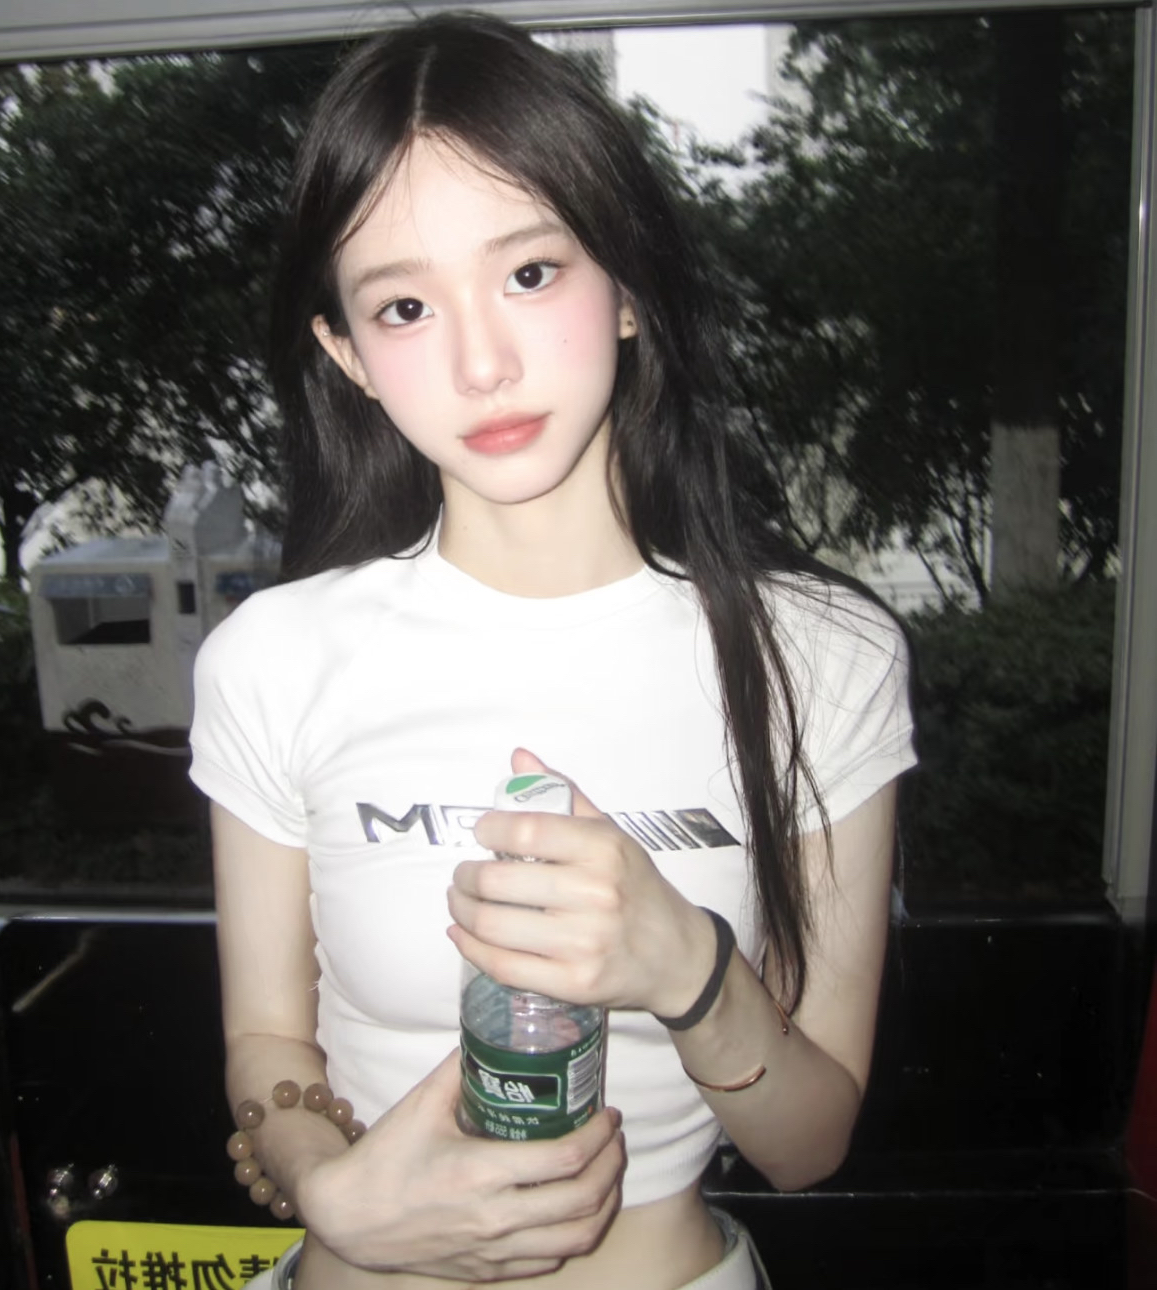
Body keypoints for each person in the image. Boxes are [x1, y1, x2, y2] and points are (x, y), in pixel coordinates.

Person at [189, 13, 915, 1290]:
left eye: (530, 273)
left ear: (625, 284)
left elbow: (807, 1146)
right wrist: (327, 1186)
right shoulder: (273, 658)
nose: (482, 362)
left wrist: (686, 965)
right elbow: (267, 1040)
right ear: (348, 355)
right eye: (405, 306)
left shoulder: (822, 658)